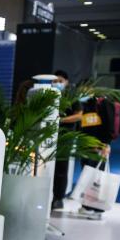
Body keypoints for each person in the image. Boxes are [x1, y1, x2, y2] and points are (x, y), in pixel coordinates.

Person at [51, 69, 82, 210]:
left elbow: (79, 115)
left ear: (66, 82)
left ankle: (58, 198)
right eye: (55, 81)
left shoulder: (71, 97)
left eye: (60, 81)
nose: (57, 83)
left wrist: (61, 120)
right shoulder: (48, 95)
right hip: (48, 135)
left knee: (61, 167)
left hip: (65, 136)